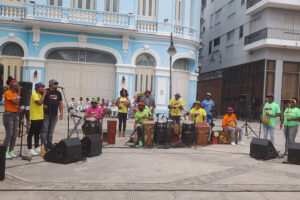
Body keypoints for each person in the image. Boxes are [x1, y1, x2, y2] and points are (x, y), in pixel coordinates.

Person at [41, 79, 63, 150]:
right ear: (50, 84)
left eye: (57, 84)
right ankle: (43, 145)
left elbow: (60, 103)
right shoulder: (45, 91)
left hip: (54, 115)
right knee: (44, 130)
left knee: (51, 130)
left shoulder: (58, 93)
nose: (56, 85)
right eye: (55, 84)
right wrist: (43, 106)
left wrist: (61, 113)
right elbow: (40, 101)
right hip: (46, 114)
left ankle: (49, 143)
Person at [3, 77, 22, 159]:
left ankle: (11, 151)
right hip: (9, 115)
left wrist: (19, 108)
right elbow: (16, 102)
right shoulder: (8, 93)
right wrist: (19, 92)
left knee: (14, 134)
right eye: (16, 83)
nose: (18, 85)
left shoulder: (15, 94)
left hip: (15, 114)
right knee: (9, 134)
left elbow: (16, 104)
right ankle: (4, 152)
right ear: (11, 85)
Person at [27, 82, 47, 156]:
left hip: (40, 116)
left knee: (37, 133)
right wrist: (44, 95)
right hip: (35, 117)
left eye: (43, 87)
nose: (43, 89)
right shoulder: (34, 95)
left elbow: (40, 105)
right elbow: (39, 103)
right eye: (41, 87)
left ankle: (36, 147)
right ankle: (29, 149)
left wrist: (45, 106)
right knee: (31, 133)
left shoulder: (40, 95)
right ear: (37, 88)